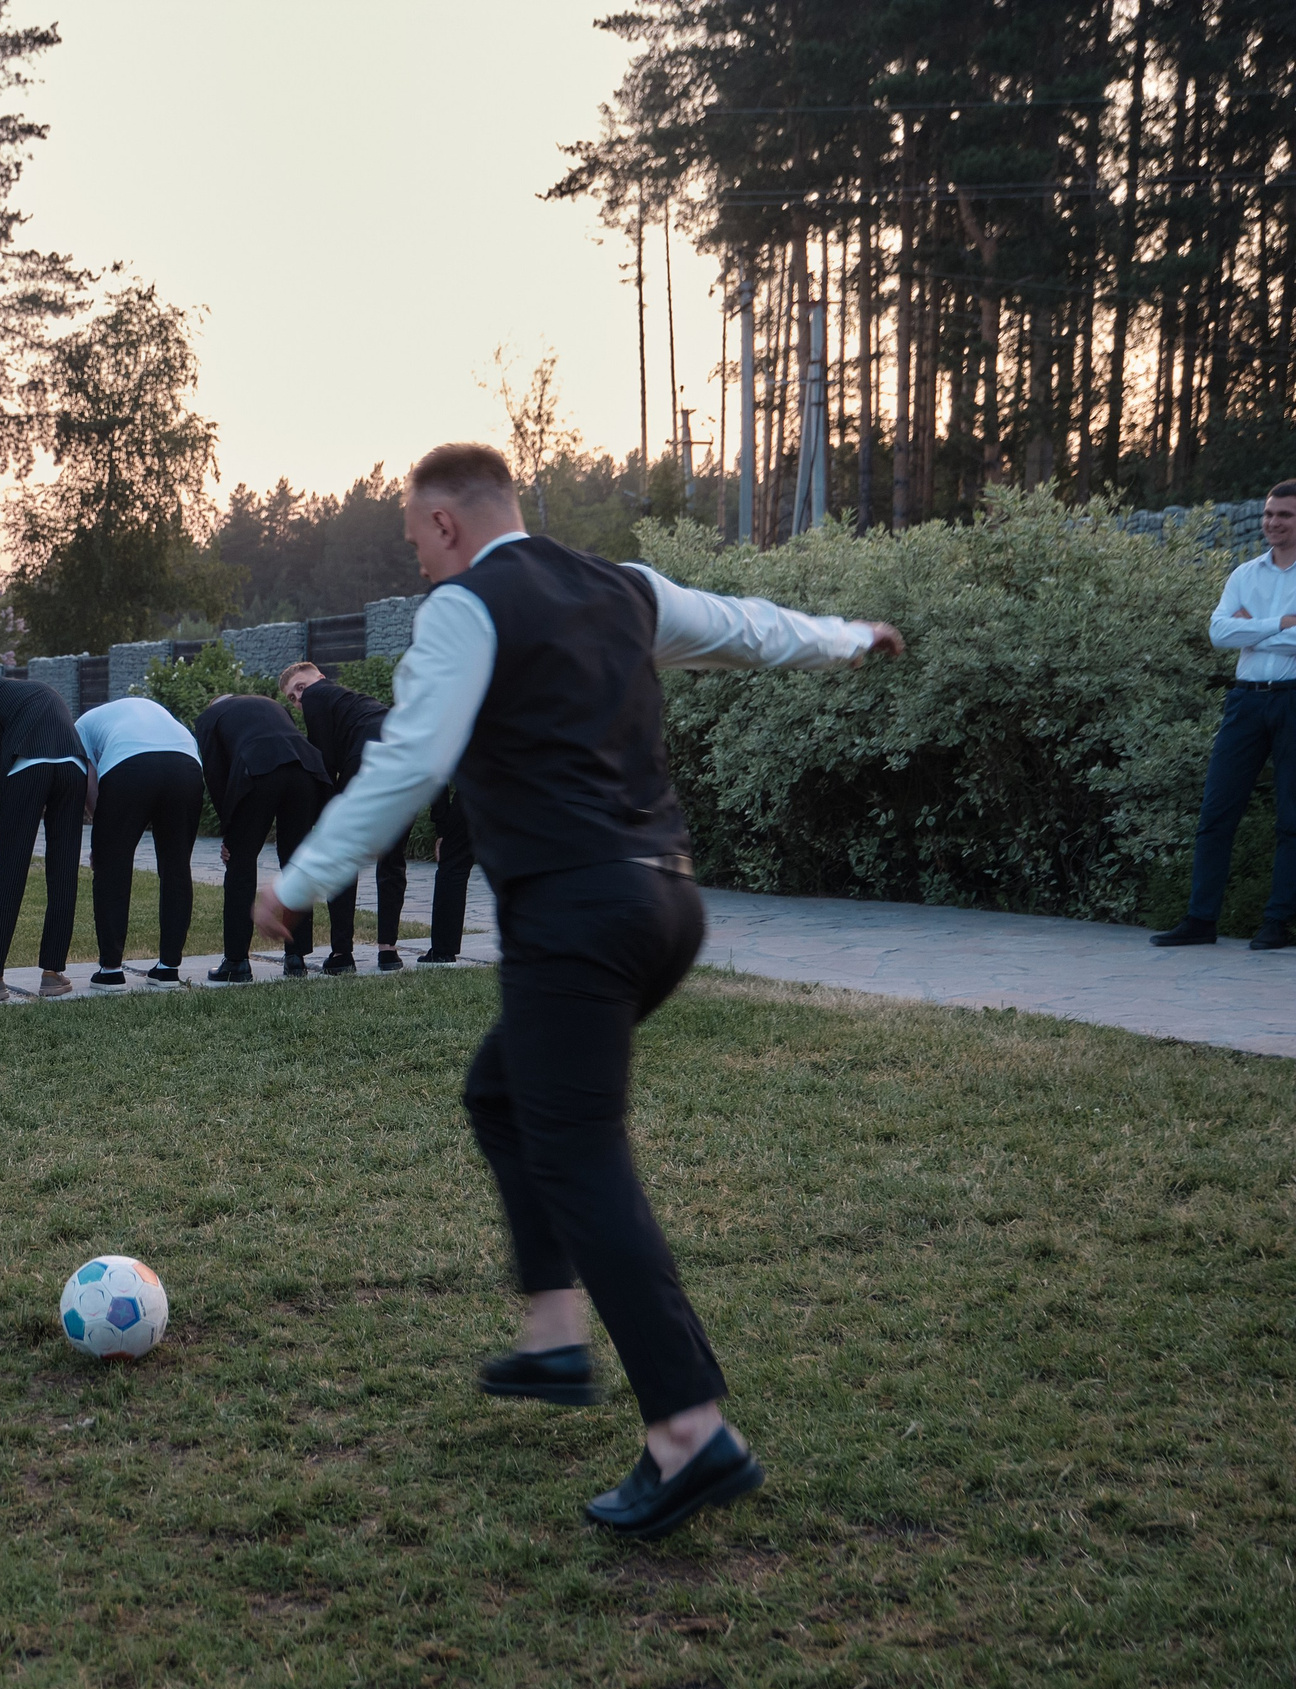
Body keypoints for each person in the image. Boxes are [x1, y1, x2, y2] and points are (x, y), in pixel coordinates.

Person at [256, 443, 902, 1540]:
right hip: (666, 903)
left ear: (448, 523)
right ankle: (554, 1336)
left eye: (415, 540)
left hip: (576, 915)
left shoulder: (464, 610)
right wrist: (848, 637)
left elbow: (409, 762)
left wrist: (302, 880)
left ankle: (689, 1434)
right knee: (503, 1095)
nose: (417, 562)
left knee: (582, 1154)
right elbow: (748, 628)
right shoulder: (624, 588)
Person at [1149, 478, 1296, 951]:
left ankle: (1277, 922)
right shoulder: (1244, 575)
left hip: (1293, 699)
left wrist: (1250, 629)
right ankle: (1200, 920)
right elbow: (1218, 633)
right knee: (1216, 811)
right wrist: (1280, 623)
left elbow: (1238, 633)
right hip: (1245, 701)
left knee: (1291, 817)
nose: (1273, 522)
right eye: (1269, 513)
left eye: (1285, 515)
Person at [279, 660, 477, 969]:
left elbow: (324, 761)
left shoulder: (317, 695)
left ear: (320, 678)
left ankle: (342, 954)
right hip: (407, 758)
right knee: (392, 859)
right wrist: (441, 827)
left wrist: (323, 817)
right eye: (292, 697)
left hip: (368, 759)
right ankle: (388, 951)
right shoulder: (358, 703)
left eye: (300, 688)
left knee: (344, 857)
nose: (299, 699)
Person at [0, 674, 90, 1001]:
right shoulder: (31, 691)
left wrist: (13, 799)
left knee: (11, 871)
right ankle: (53, 974)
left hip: (28, 765)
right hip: (74, 766)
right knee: (64, 871)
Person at [192, 690, 330, 981]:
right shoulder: (269, 704)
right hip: (305, 769)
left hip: (258, 770)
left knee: (240, 864)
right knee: (296, 862)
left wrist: (230, 834)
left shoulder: (210, 717)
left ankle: (236, 962)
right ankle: (296, 958)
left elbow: (216, 775)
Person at [73, 694, 205, 988]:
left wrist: (103, 841)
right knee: (176, 867)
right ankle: (168, 968)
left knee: (112, 869)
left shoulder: (81, 726)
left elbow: (88, 783)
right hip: (186, 766)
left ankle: (110, 970)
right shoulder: (153, 711)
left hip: (129, 766)